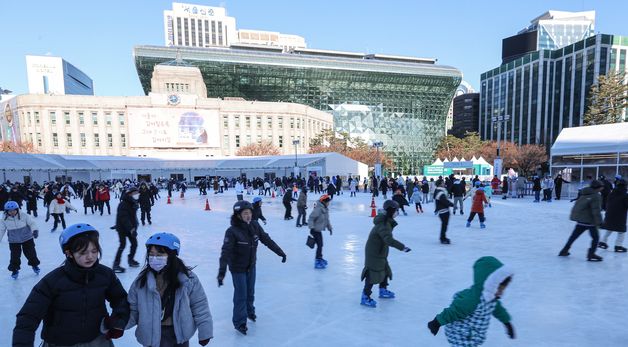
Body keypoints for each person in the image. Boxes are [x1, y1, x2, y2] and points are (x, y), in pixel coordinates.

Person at [13, 223, 130, 346]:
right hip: (60, 342)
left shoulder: (105, 275)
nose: (90, 256)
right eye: (83, 252)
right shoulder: (53, 281)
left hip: (97, 340)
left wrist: (118, 320)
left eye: (94, 251)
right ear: (69, 253)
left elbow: (121, 299)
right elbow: (28, 317)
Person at [127, 232, 213, 346]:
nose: (154, 258)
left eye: (160, 254)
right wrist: (119, 324)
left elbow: (199, 305)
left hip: (178, 335)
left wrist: (205, 331)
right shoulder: (141, 282)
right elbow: (133, 309)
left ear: (171, 256)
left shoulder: (187, 279)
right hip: (152, 337)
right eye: (151, 254)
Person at [218, 200, 286, 335]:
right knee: (241, 295)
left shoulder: (254, 225)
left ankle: (250, 312)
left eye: (249, 213)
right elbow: (226, 252)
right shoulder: (232, 232)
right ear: (238, 215)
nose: (248, 216)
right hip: (238, 268)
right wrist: (221, 272)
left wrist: (280, 252)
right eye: (245, 213)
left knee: (250, 292)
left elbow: (266, 240)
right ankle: (239, 322)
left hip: (251, 266)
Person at [427, 256, 515, 346]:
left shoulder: (492, 298)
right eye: (499, 289)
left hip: (473, 333)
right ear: (490, 284)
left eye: (502, 290)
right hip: (459, 333)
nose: (500, 293)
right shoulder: (472, 300)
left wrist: (507, 323)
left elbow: (498, 310)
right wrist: (436, 322)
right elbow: (454, 311)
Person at [360, 200, 411, 307]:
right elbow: (388, 239)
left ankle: (383, 290)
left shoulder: (386, 221)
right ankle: (365, 296)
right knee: (372, 272)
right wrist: (402, 247)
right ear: (391, 211)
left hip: (380, 251)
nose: (397, 212)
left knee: (384, 269)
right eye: (396, 210)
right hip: (374, 252)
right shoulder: (384, 224)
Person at [559, 180, 604, 261]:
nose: (602, 189)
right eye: (601, 187)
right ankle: (591, 254)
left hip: (581, 220)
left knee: (573, 236)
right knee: (596, 238)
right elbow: (596, 211)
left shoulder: (584, 193)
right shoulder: (595, 196)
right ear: (597, 188)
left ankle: (564, 250)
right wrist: (600, 222)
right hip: (590, 221)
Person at [1, 201, 40, 279]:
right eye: (10, 211)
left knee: (30, 253)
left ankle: (34, 265)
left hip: (27, 238)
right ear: (6, 211)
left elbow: (32, 223)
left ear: (17, 209)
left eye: (14, 210)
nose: (12, 212)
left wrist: (35, 230)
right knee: (14, 256)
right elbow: (1, 230)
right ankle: (14, 270)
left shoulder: (24, 215)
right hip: (14, 241)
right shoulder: (4, 219)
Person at [113, 187, 140, 273]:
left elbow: (132, 217)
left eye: (137, 193)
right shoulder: (123, 204)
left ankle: (130, 260)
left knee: (134, 244)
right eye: (135, 193)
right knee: (122, 245)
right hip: (123, 228)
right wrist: (131, 229)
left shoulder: (132, 202)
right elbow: (124, 218)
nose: (137, 195)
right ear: (129, 194)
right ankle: (116, 264)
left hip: (130, 227)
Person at [598, 179, 628, 253]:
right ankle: (618, 246)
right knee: (621, 231)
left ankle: (602, 242)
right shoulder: (625, 195)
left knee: (610, 228)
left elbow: (607, 202)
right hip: (619, 216)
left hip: (609, 214)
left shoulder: (611, 193)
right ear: (625, 186)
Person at [307, 194, 333, 269]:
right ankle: (318, 260)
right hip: (315, 230)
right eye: (328, 202)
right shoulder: (318, 209)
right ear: (324, 202)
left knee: (320, 245)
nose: (329, 203)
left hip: (318, 230)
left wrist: (330, 228)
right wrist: (311, 227)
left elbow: (326, 220)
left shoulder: (325, 209)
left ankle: (319, 258)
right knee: (320, 245)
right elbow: (311, 218)